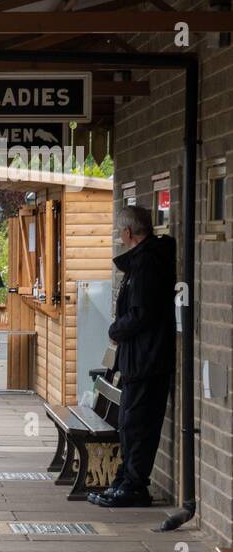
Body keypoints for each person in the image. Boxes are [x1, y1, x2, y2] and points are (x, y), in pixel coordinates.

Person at [88, 206, 177, 509]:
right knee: (129, 422)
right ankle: (126, 480)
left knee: (138, 424)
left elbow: (142, 314)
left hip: (147, 359)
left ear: (128, 233)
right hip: (140, 359)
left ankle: (135, 486)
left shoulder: (146, 266)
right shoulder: (143, 263)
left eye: (119, 232)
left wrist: (116, 328)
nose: (118, 237)